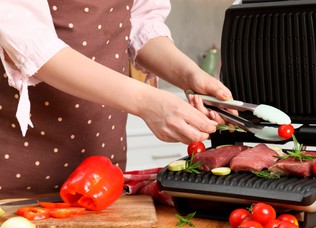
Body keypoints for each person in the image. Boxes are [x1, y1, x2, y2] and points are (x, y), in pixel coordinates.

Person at [0, 1, 233, 199]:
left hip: (103, 173)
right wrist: (145, 101)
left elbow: (141, 22)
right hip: (18, 177)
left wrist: (188, 75)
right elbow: (30, 43)